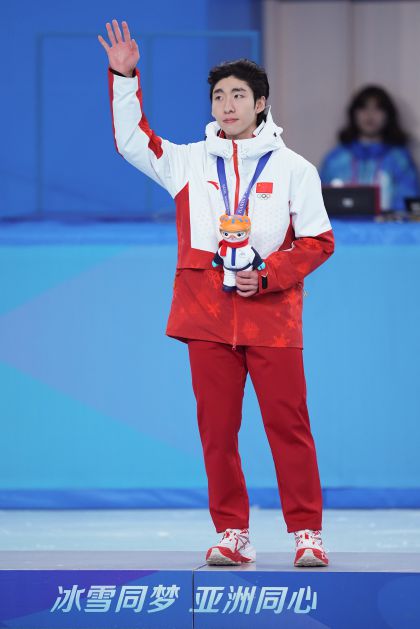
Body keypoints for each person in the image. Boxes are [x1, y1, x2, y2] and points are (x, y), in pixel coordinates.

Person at [99, 19, 334, 568]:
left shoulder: (295, 169)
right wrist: (124, 78)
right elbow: (132, 142)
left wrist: (268, 275)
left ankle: (307, 534)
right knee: (217, 433)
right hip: (206, 316)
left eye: (238, 95)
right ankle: (233, 533)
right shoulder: (187, 162)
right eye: (219, 96)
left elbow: (318, 241)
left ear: (261, 103)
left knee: (289, 428)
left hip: (272, 317)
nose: (227, 105)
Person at [320, 85, 420, 212]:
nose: (370, 115)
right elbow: (318, 201)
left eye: (378, 108)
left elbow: (408, 203)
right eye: (363, 107)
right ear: (353, 114)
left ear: (388, 115)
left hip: (389, 224)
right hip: (339, 224)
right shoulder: (336, 159)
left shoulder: (399, 159)